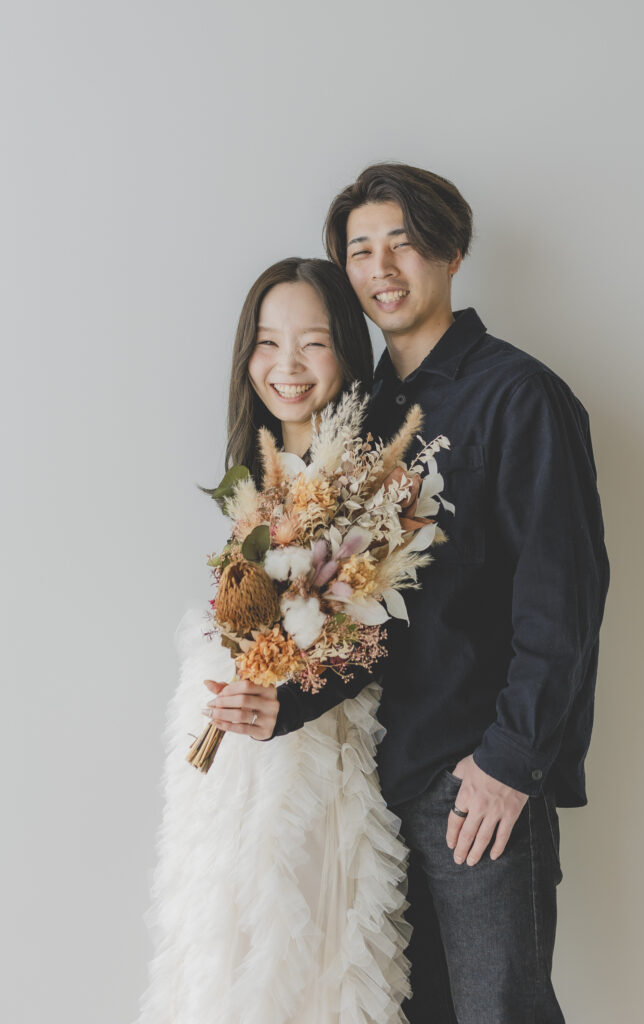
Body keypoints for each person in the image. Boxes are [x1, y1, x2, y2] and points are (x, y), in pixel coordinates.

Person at [259, 165, 610, 1023]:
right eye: (359, 251)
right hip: (375, 791)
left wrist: (506, 766)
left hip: (473, 784)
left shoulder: (518, 396)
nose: (380, 268)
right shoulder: (363, 412)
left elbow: (562, 598)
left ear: (451, 253)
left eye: (403, 244)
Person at [137, 257, 411, 1024]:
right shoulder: (256, 477)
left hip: (308, 766)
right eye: (267, 342)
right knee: (225, 964)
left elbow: (381, 631)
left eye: (313, 343)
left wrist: (285, 694)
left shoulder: (368, 480)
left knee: (298, 964)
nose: (286, 365)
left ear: (347, 353)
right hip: (234, 773)